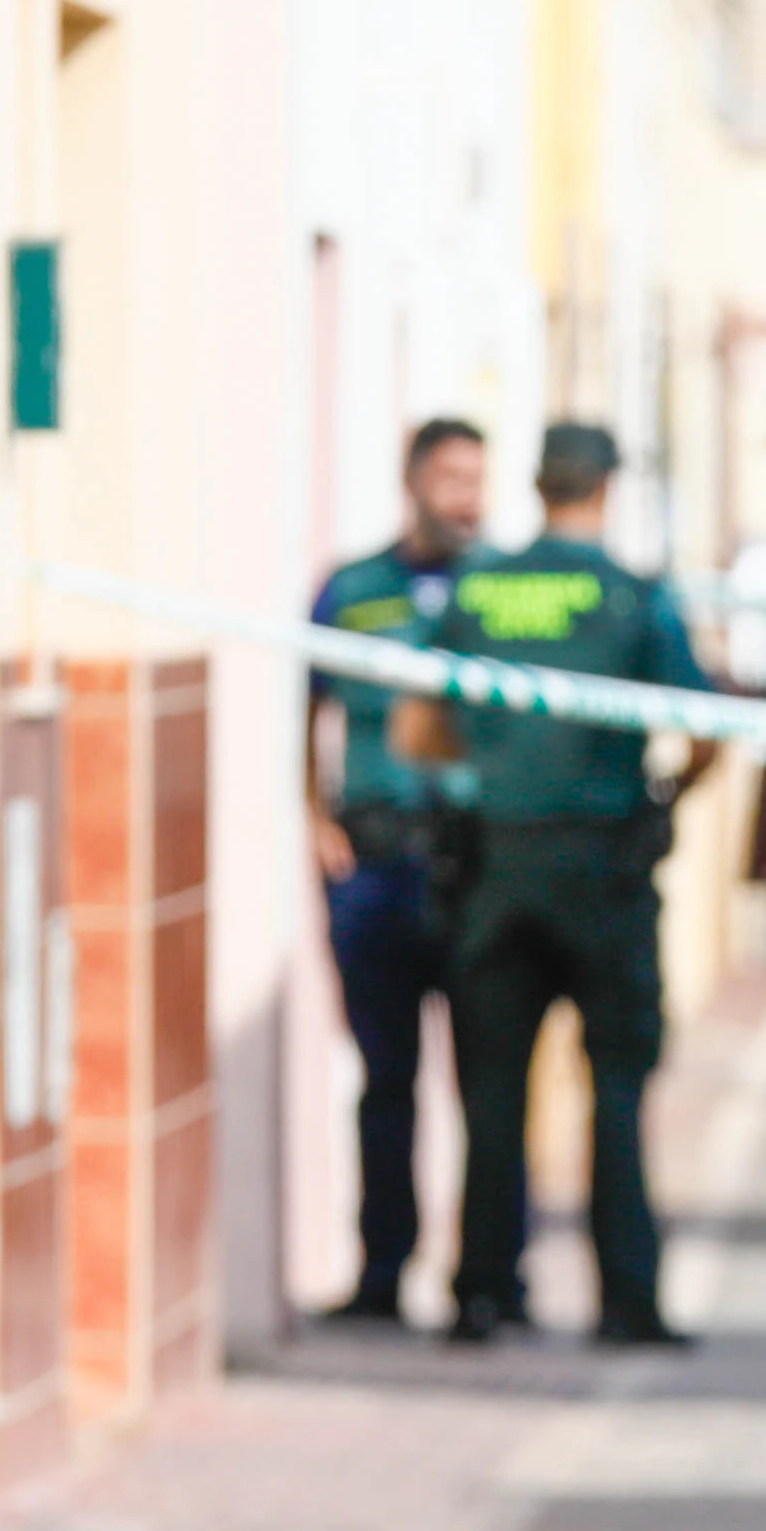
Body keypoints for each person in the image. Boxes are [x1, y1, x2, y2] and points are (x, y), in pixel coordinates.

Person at [395, 423, 719, 1351]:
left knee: (491, 1089)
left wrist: (496, 773)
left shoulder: (476, 585)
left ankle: (484, 1292)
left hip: (494, 864)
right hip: (603, 866)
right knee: (617, 1085)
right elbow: (704, 728)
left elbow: (418, 730)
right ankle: (627, 1299)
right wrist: (664, 793)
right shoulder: (633, 596)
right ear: (607, 489)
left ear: (536, 486)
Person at [308, 419, 491, 1328]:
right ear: (412, 479)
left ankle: (491, 1281)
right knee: (386, 1079)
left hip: (473, 865)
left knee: (488, 1081)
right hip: (376, 864)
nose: (467, 495)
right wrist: (313, 818)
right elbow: (304, 703)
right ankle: (383, 1272)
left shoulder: (503, 586)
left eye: (477, 479)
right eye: (452, 476)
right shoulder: (354, 589)